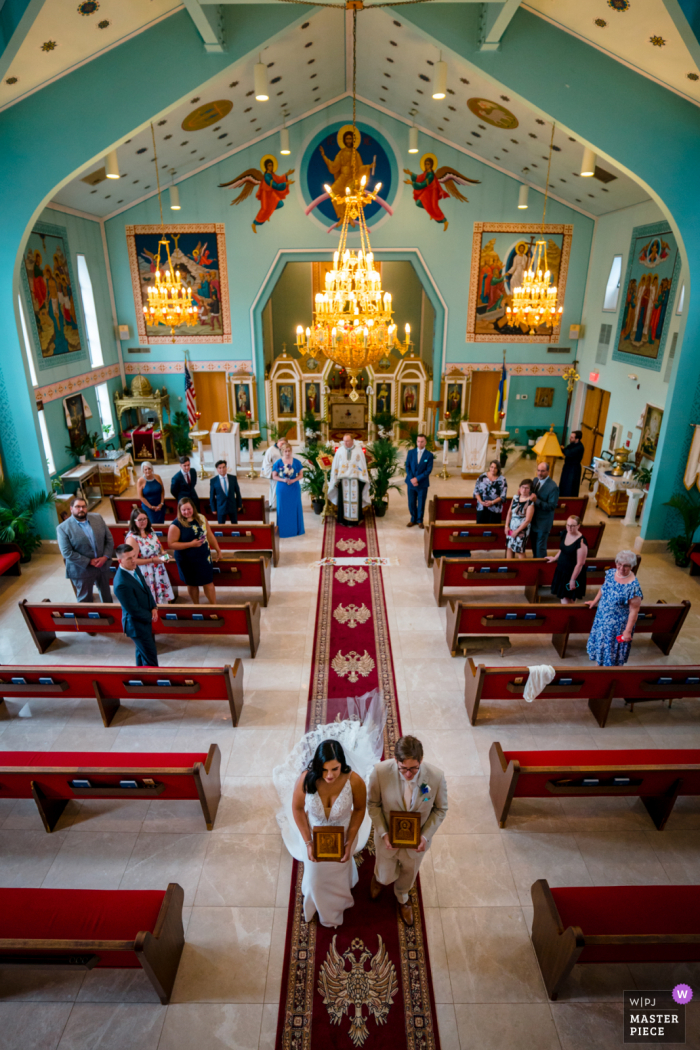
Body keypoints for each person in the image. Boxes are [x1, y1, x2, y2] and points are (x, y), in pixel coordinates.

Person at [273, 690, 387, 928]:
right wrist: (307, 841)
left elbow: (358, 810)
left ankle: (340, 900)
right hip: (314, 836)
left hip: (344, 835)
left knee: (339, 869)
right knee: (315, 876)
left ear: (342, 765)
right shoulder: (306, 779)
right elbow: (296, 809)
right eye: (324, 770)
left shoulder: (354, 780)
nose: (329, 776)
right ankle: (317, 904)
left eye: (334, 769)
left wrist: (350, 840)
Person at [368, 735, 448, 926]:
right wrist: (383, 833)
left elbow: (440, 809)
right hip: (388, 837)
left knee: (408, 874)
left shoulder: (435, 777)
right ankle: (379, 880)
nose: (409, 774)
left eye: (414, 768)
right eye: (403, 769)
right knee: (385, 873)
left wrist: (425, 836)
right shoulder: (380, 772)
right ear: (396, 760)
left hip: (416, 842)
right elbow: (373, 805)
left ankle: (403, 897)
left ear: (421, 760)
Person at [586, 550, 643, 666]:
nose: (621, 568)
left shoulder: (634, 587)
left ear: (632, 566)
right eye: (619, 564)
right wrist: (595, 601)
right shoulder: (612, 573)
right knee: (600, 650)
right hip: (602, 619)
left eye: (626, 566)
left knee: (611, 655)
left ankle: (607, 676)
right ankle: (597, 670)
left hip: (617, 627)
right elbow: (604, 588)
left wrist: (627, 632)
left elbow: (634, 611)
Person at [56, 497, 114, 602]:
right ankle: (90, 618)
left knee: (107, 596)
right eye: (77, 507)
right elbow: (67, 552)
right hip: (81, 569)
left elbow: (109, 540)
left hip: (102, 565)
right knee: (85, 599)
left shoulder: (98, 518)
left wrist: (105, 557)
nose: (81, 509)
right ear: (71, 509)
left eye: (83, 506)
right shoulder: (63, 528)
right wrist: (89, 561)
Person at [167, 497, 222, 605]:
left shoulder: (201, 518)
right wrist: (191, 544)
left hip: (203, 557)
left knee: (208, 582)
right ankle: (196, 605)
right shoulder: (176, 525)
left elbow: (209, 535)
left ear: (193, 508)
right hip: (186, 559)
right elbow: (171, 544)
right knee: (192, 584)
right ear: (180, 510)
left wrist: (218, 550)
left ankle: (214, 605)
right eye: (183, 510)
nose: (186, 512)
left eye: (189, 509)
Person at [113, 544, 159, 666]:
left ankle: (141, 678)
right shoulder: (121, 584)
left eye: (134, 556)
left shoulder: (133, 567)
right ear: (120, 561)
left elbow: (146, 588)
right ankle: (153, 682)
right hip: (137, 625)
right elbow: (133, 610)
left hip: (143, 619)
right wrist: (149, 616)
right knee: (151, 658)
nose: (134, 560)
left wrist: (154, 606)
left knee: (142, 653)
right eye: (129, 558)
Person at [125, 508, 174, 605]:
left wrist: (164, 554)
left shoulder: (150, 530)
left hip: (157, 568)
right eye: (140, 520)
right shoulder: (132, 538)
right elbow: (132, 560)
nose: (143, 522)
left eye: (145, 518)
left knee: (161, 600)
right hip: (145, 572)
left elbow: (158, 545)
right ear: (134, 521)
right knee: (149, 600)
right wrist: (152, 560)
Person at [327, 434, 371, 527]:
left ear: (352, 441)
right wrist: (335, 478)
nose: (345, 443)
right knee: (343, 501)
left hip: (356, 480)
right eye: (344, 441)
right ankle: (343, 520)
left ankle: (355, 520)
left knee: (356, 500)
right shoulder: (340, 451)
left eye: (347, 441)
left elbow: (362, 465)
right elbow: (335, 465)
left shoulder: (359, 451)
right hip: (343, 481)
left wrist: (362, 477)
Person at [546, 515, 587, 603]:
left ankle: (568, 615)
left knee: (567, 600)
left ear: (578, 526)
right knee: (565, 598)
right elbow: (562, 549)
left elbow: (580, 564)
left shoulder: (581, 542)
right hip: (561, 571)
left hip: (572, 574)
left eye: (572, 526)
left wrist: (572, 579)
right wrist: (555, 558)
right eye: (567, 525)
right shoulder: (565, 533)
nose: (569, 527)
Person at [272, 444, 305, 538]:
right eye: (285, 451)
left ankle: (296, 530)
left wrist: (293, 480)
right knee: (283, 508)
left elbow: (301, 475)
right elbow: (274, 476)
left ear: (291, 451)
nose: (287, 453)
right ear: (282, 451)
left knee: (295, 507)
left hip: (294, 487)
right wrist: (284, 480)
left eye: (289, 451)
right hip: (282, 488)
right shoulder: (278, 463)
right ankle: (283, 530)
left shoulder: (297, 462)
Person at [529, 461, 559, 557]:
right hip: (533, 520)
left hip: (543, 522)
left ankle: (540, 568)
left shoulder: (553, 487)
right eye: (538, 470)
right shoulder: (535, 480)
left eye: (542, 471)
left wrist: (536, 500)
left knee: (540, 548)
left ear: (548, 472)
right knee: (534, 546)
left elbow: (552, 506)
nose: (539, 473)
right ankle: (535, 566)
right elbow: (531, 493)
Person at [404, 435, 434, 529]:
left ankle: (420, 520)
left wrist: (417, 479)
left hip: (422, 483)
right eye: (418, 441)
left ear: (425, 442)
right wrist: (412, 479)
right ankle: (413, 519)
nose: (419, 443)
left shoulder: (429, 455)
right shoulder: (411, 452)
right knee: (411, 502)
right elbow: (407, 466)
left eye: (422, 441)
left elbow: (428, 470)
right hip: (411, 483)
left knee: (421, 502)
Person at [505, 479, 534, 559]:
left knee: (519, 550)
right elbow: (509, 512)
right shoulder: (515, 498)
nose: (524, 490)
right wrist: (506, 526)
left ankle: (523, 569)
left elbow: (528, 520)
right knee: (509, 547)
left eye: (527, 488)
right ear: (520, 488)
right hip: (511, 527)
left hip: (522, 530)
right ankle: (509, 567)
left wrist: (517, 531)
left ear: (530, 490)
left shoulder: (530, 502)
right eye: (522, 487)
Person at [209, 459, 244, 524]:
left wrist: (239, 505)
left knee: (235, 525)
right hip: (221, 507)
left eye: (223, 467)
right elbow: (212, 496)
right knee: (221, 526)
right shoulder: (213, 481)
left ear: (226, 467)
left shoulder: (233, 478)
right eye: (220, 468)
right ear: (217, 469)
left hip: (232, 506)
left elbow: (238, 493)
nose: (222, 469)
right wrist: (213, 508)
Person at [474, 460, 508, 524]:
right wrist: (481, 502)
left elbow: (503, 495)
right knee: (481, 529)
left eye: (495, 468)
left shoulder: (502, 479)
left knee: (493, 530)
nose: (493, 469)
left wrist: (492, 502)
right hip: (482, 507)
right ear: (489, 467)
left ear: (498, 469)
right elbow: (476, 492)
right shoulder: (482, 477)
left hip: (495, 508)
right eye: (492, 467)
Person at [559, 431, 585, 497]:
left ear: (577, 439)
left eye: (572, 437)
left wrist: (563, 449)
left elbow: (568, 453)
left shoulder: (579, 447)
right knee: (563, 484)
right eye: (570, 437)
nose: (570, 438)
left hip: (574, 469)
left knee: (570, 487)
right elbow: (566, 449)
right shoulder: (572, 444)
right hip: (567, 467)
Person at [261, 437, 284, 512]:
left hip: (282, 473)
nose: (283, 445)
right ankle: (273, 505)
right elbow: (267, 462)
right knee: (274, 488)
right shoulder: (271, 450)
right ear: (278, 441)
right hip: (274, 473)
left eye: (284, 444)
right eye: (282, 443)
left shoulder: (283, 449)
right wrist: (271, 473)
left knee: (280, 489)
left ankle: (279, 504)